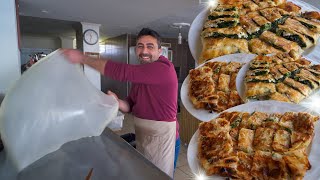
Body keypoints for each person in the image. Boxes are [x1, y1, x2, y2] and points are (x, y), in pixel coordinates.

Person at [63, 28, 180, 178]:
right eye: (140, 46)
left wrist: (82, 58)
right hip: (145, 136)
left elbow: (122, 72)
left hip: (162, 138)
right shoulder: (142, 73)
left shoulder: (164, 68)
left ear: (159, 51)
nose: (144, 51)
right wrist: (117, 101)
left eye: (150, 46)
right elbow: (130, 105)